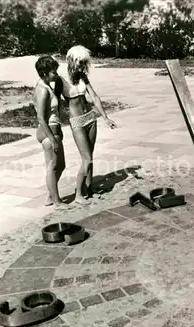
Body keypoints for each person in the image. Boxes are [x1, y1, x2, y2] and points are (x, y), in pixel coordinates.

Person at [60, 45, 117, 204]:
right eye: (80, 63)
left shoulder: (83, 77)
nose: (82, 66)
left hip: (91, 117)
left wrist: (106, 118)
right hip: (77, 121)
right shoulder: (61, 79)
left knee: (90, 156)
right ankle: (79, 194)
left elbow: (95, 97)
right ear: (71, 60)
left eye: (84, 63)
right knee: (86, 159)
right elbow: (55, 102)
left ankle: (89, 190)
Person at [33, 55, 67, 208]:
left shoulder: (47, 86)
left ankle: (50, 196)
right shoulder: (42, 90)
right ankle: (57, 201)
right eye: (53, 72)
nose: (56, 74)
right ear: (44, 73)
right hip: (48, 134)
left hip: (54, 131)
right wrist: (53, 139)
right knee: (52, 167)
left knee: (60, 166)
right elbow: (41, 118)